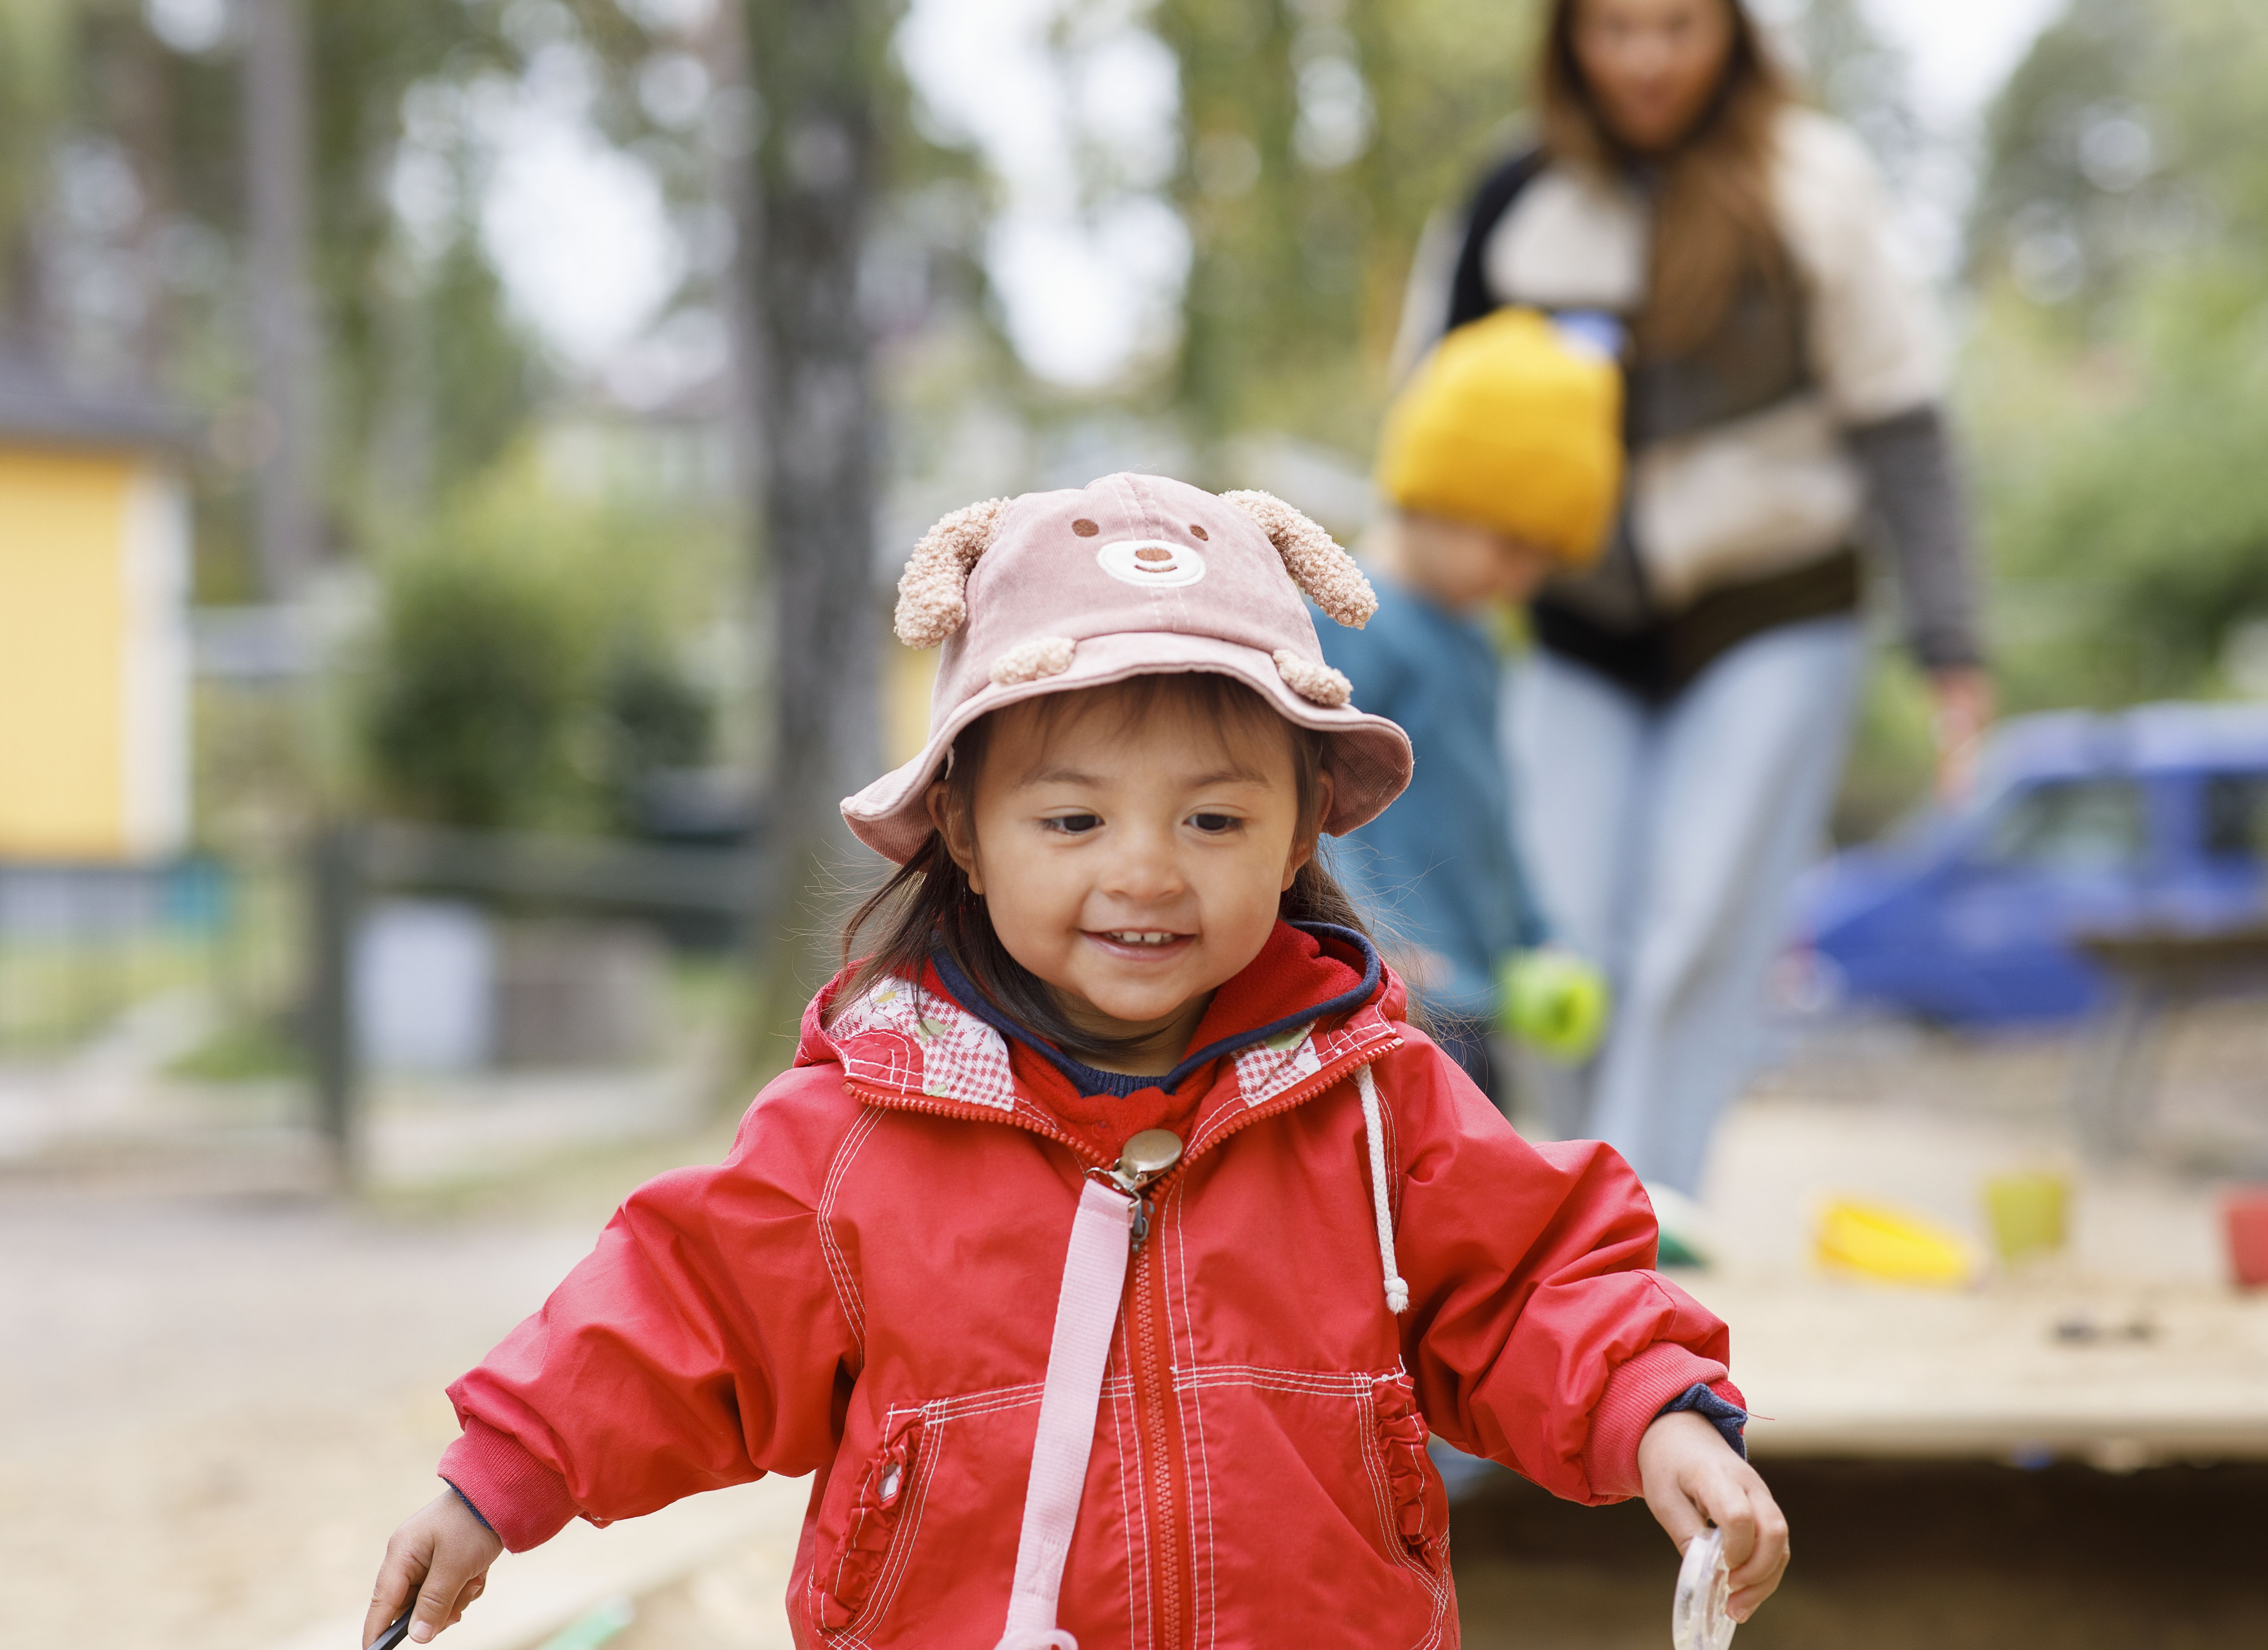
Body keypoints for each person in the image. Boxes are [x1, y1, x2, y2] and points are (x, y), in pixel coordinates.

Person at [359, 474, 1789, 1649]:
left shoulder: (1371, 1103)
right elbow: (681, 1312)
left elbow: (1535, 1279)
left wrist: (1660, 1415)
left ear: (1300, 836)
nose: (1148, 874)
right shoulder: (863, 1128)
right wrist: (501, 1480)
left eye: (1216, 823)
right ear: (967, 834)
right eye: (1074, 822)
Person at [1397, 0, 1992, 1195]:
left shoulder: (1809, 182)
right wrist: (1402, 606)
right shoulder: (1517, 193)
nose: (1648, 58)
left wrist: (1952, 646)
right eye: (1616, 29)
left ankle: (1648, 1207)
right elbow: (1432, 426)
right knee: (1562, 929)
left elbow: (1902, 423)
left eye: (1678, 26)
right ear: (1570, 39)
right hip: (1576, 622)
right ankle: (1565, 1194)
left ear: (1732, 33)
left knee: (1702, 919)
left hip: (1773, 602)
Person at [1317, 305, 1624, 1099]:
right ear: (1437, 492)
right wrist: (1361, 934)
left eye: (1543, 557)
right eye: (1507, 541)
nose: (1521, 577)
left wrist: (1539, 936)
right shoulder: (1353, 614)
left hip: (1478, 993)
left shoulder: (1481, 639)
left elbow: (1491, 815)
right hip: (1392, 993)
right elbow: (1309, 801)